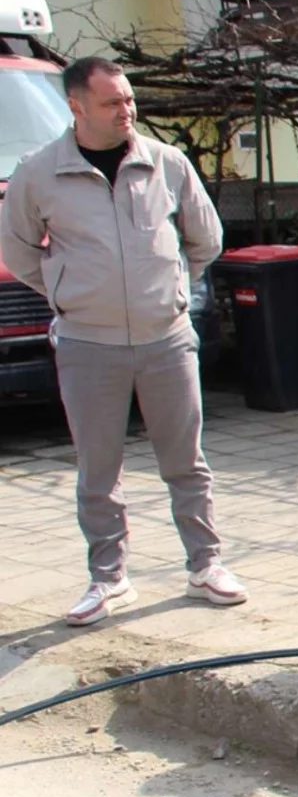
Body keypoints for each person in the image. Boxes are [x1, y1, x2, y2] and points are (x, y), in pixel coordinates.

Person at [1, 56, 247, 626]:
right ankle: (108, 579)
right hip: (89, 345)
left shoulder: (167, 163)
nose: (126, 111)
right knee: (98, 469)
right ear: (77, 107)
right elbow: (19, 255)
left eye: (129, 99)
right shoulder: (38, 173)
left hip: (166, 339)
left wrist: (172, 292)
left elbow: (205, 240)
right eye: (112, 103)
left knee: (187, 461)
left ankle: (206, 565)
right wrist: (73, 295)